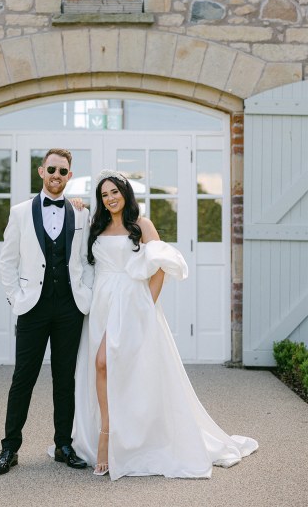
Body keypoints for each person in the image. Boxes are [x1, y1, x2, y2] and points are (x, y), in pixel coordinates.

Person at [72, 169, 258, 480]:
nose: (110, 198)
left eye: (114, 192)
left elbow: (161, 266)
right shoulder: (95, 225)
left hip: (133, 304)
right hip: (102, 305)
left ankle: (116, 437)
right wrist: (76, 206)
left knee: (113, 365)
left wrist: (146, 304)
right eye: (104, 195)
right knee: (103, 367)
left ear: (125, 193)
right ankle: (106, 431)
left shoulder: (141, 225)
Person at [0, 149, 94, 475]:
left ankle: (64, 444)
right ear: (41, 171)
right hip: (32, 308)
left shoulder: (81, 214)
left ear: (69, 176)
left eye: (63, 171)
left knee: (65, 379)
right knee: (23, 378)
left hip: (69, 308)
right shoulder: (20, 212)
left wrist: (86, 296)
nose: (56, 175)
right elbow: (7, 261)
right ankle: (10, 449)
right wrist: (16, 298)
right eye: (51, 169)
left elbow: (88, 260)